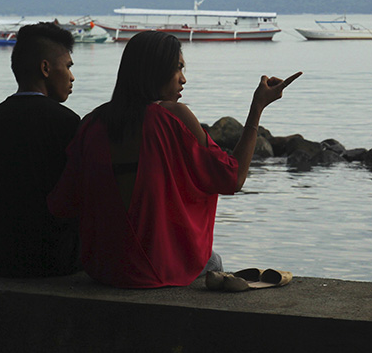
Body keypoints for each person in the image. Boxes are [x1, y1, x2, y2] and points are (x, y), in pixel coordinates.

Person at [48, 30, 300, 288]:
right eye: (178, 68)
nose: (183, 79)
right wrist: (257, 107)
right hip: (156, 269)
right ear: (155, 71)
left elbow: (63, 204)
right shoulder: (172, 116)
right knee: (214, 263)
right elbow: (233, 178)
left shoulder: (91, 123)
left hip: (102, 268)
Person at [0, 22, 81, 277]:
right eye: (69, 66)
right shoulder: (68, 124)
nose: (72, 76)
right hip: (54, 259)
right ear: (46, 68)